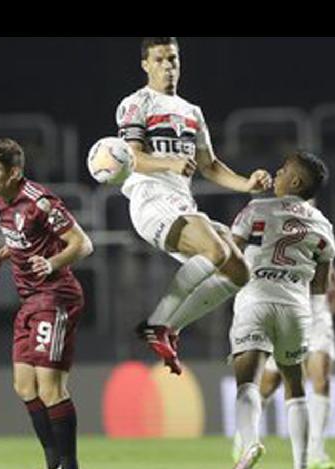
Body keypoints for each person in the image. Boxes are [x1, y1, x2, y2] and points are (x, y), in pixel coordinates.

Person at [116, 37, 272, 375]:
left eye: (172, 59)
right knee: (216, 250)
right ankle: (157, 323)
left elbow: (210, 165)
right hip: (150, 200)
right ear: (145, 64)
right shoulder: (136, 103)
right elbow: (131, 158)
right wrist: (168, 164)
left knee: (239, 271)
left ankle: (171, 327)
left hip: (181, 203)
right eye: (159, 60)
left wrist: (247, 183)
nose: (168, 66)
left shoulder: (191, 112)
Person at [0, 139, 95, 469]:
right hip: (29, 301)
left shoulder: (41, 201)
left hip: (56, 297)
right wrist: (0, 256)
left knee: (51, 388)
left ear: (14, 173)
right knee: (24, 387)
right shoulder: (1, 200)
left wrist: (53, 262)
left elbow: (83, 244)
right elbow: (20, 239)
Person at [226, 151, 335, 469]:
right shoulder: (322, 224)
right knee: (295, 388)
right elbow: (321, 283)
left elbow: (228, 255)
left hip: (256, 300)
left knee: (248, 384)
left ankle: (250, 443)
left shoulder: (257, 209)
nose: (277, 172)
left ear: (296, 181)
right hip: (296, 310)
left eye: (283, 169)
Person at [242, 267, 335, 469]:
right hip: (287, 314)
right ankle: (245, 433)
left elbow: (326, 260)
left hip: (318, 316)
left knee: (322, 379)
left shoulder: (319, 239)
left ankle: (316, 452)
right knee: (270, 383)